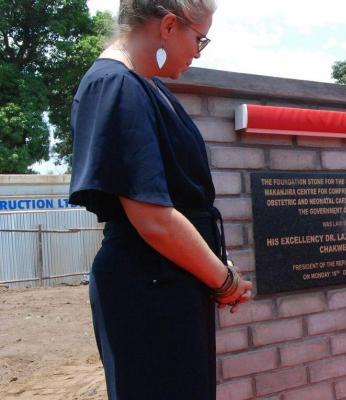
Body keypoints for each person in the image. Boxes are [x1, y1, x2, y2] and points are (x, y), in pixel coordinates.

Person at [68, 1, 253, 398]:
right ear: (168, 26)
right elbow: (153, 218)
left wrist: (212, 268)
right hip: (149, 289)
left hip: (166, 282)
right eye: (198, 38)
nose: (199, 52)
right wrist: (223, 280)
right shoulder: (116, 86)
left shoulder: (143, 85)